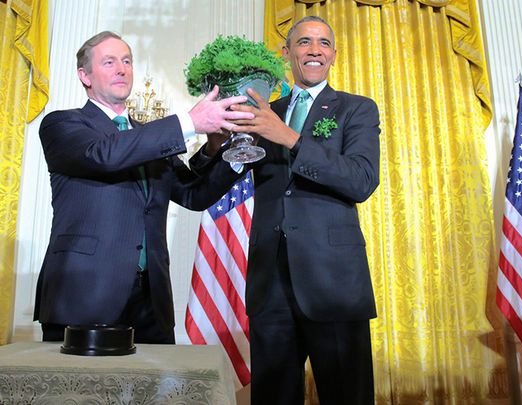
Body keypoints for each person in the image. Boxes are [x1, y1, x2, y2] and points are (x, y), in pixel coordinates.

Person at [33, 31, 253, 344]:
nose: (122, 69)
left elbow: (194, 194)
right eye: (109, 62)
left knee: (154, 394)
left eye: (127, 61)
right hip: (84, 296)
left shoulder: (151, 137)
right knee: (82, 394)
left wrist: (233, 150)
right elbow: (105, 155)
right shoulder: (62, 124)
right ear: (85, 76)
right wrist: (189, 121)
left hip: (152, 302)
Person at [232, 15, 380, 405]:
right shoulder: (263, 112)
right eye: (303, 42)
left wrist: (290, 138)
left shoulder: (356, 109)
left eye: (323, 44)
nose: (314, 50)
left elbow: (361, 180)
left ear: (333, 55)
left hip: (334, 284)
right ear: (287, 53)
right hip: (270, 285)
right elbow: (211, 185)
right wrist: (216, 141)